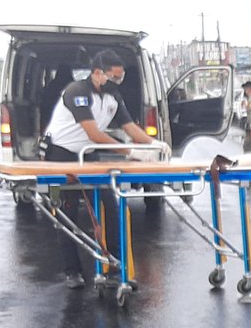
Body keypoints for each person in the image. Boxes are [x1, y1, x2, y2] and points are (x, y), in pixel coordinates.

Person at [42, 49, 170, 289]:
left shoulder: (113, 96)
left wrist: (153, 144)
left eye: (120, 78)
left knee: (110, 206)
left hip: (87, 154)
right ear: (97, 73)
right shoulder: (77, 92)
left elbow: (129, 126)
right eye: (113, 77)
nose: (117, 82)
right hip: (62, 155)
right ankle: (72, 271)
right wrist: (131, 152)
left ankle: (115, 266)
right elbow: (93, 133)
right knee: (67, 212)